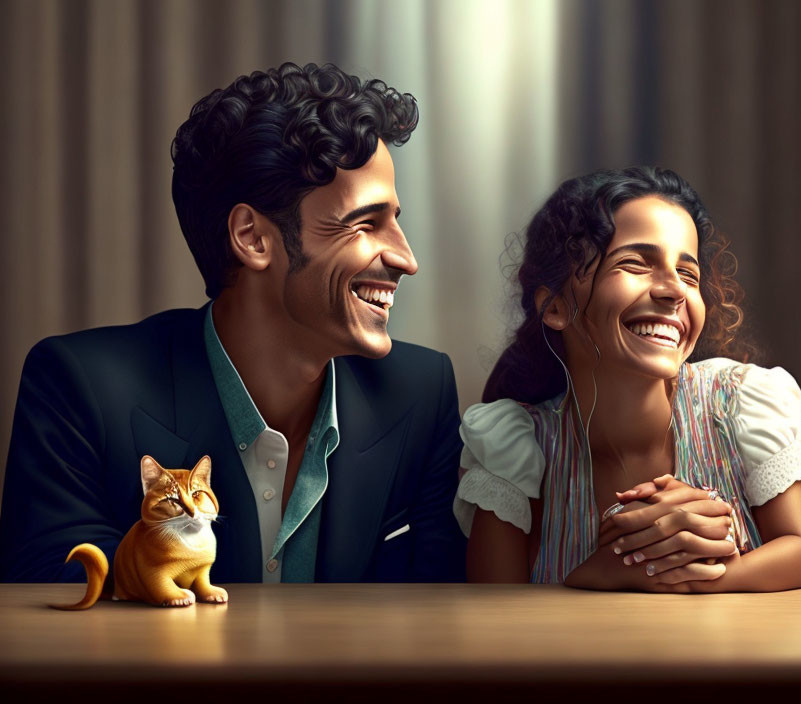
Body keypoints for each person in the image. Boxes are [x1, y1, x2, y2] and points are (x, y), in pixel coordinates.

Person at [0, 62, 466, 584]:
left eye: (396, 221)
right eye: (365, 223)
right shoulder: (79, 389)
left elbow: (436, 617)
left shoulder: (421, 396)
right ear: (252, 237)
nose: (406, 258)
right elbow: (57, 614)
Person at [454, 167, 801, 591]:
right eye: (636, 263)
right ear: (555, 307)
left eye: (689, 274)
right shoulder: (516, 447)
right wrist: (599, 574)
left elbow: (800, 553)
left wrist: (694, 568)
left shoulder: (739, 404)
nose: (674, 290)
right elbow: (493, 609)